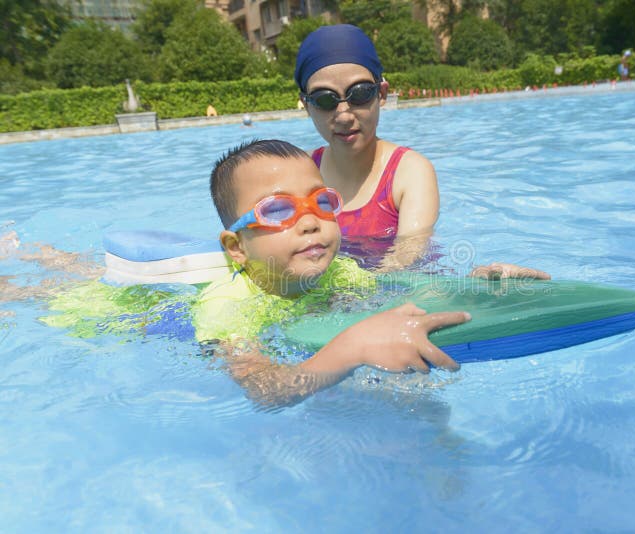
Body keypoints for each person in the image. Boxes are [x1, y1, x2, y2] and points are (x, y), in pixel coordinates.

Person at [1, 139, 551, 407]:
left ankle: (40, 254)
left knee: (74, 275)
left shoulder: (336, 274)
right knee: (68, 293)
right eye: (279, 211)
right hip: (128, 312)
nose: (311, 223)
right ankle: (26, 265)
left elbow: (404, 292)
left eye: (322, 203)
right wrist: (350, 349)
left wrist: (478, 284)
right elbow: (265, 389)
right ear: (236, 247)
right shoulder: (227, 306)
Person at [293, 24, 439, 267]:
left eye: (359, 94)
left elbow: (407, 258)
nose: (344, 115)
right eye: (324, 99)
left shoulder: (409, 172)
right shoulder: (300, 172)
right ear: (306, 105)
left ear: (381, 93)